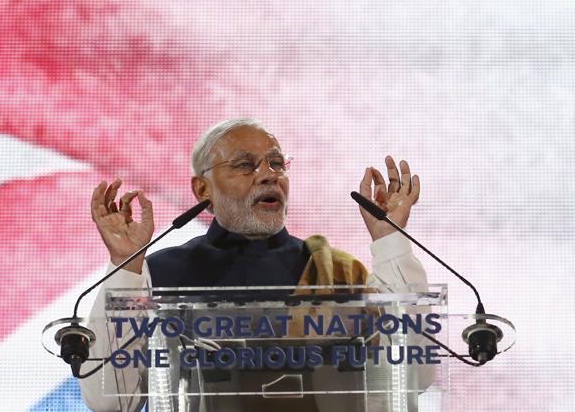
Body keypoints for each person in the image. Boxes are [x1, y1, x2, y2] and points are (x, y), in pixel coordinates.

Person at [79, 118, 431, 411]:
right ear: (202, 189)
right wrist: (125, 266)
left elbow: (415, 373)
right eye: (245, 165)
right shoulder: (163, 273)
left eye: (277, 163)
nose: (268, 174)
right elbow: (109, 400)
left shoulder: (334, 271)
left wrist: (390, 240)